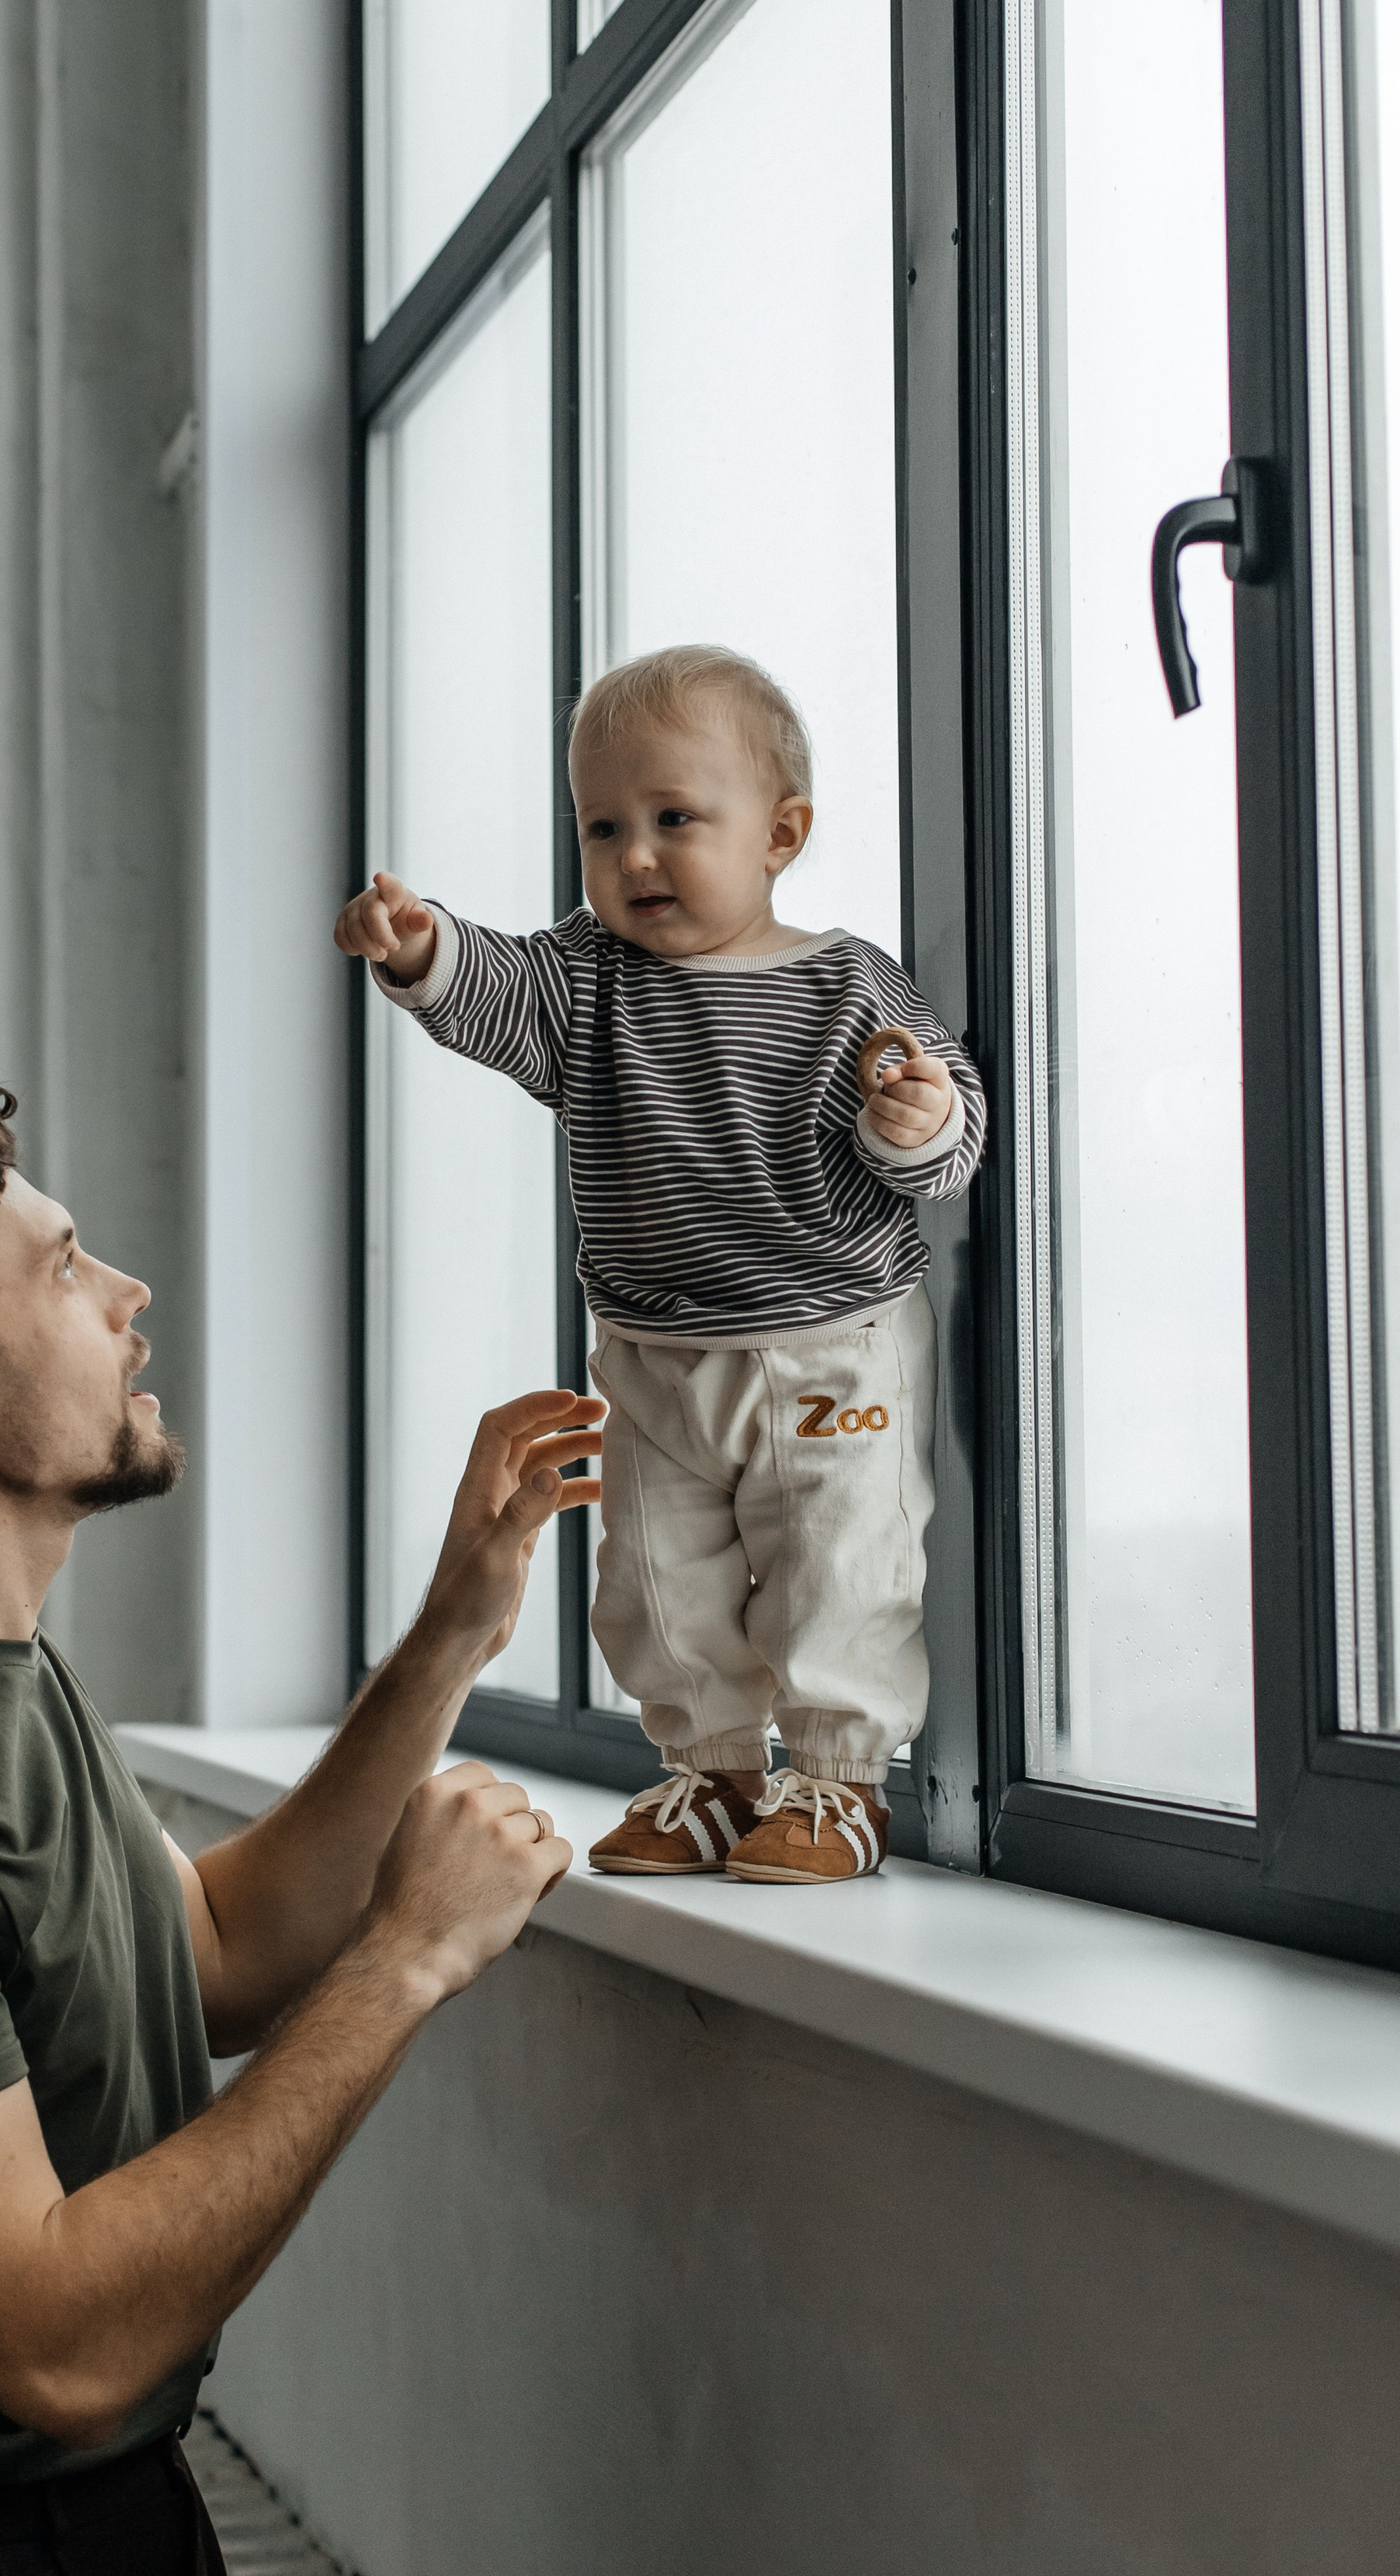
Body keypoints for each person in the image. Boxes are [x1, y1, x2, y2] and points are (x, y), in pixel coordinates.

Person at [0, 1074, 599, 2576]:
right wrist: (404, 1961)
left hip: (106, 2538)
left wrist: (451, 1633)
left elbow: (212, 1954)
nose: (127, 1291)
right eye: (64, 1265)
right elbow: (60, 2345)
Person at [335, 644, 986, 1888]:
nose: (634, 857)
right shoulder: (587, 981)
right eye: (603, 829)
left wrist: (919, 1120)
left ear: (780, 833)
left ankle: (840, 1781)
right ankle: (714, 1772)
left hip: (829, 1341)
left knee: (841, 1564)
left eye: (674, 820)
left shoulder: (846, 982)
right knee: (651, 1577)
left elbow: (942, 1131)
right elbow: (491, 986)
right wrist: (419, 950)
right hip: (650, 1348)